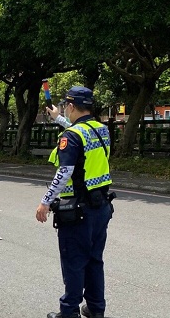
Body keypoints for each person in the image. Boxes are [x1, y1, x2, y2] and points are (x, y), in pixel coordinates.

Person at [35, 87, 114, 318]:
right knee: (94, 261)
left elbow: (65, 171)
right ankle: (96, 309)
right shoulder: (101, 130)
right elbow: (80, 133)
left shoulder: (71, 136)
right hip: (101, 208)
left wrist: (45, 201)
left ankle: (69, 312)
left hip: (78, 211)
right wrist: (57, 117)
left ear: (71, 106)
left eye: (66, 109)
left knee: (73, 262)